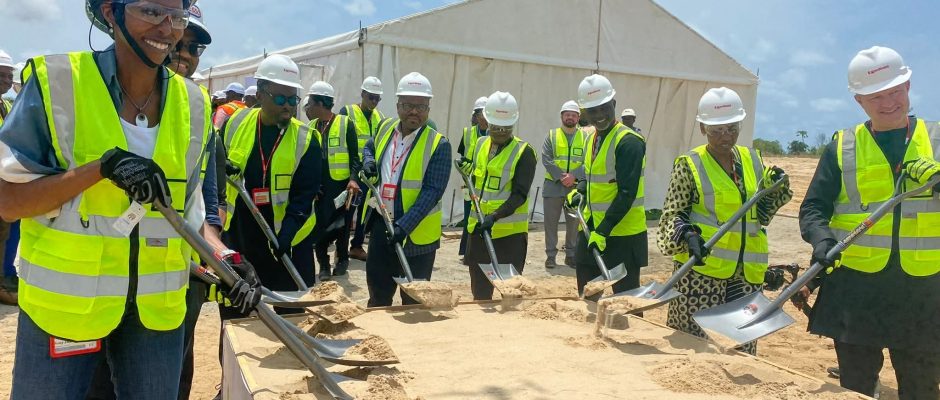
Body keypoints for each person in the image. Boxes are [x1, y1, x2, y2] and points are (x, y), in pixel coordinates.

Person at [1, 1, 262, 398]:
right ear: (111, 11)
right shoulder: (58, 84)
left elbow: (189, 215)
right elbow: (9, 202)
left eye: (177, 17)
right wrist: (100, 169)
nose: (167, 29)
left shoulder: (193, 105)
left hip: (154, 313)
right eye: (152, 11)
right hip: (67, 308)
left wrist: (224, 258)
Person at [798, 46, 940, 399]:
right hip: (856, 290)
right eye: (876, 96)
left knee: (922, 389)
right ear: (859, 100)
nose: (888, 103)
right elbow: (813, 207)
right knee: (856, 387)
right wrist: (821, 240)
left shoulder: (937, 141)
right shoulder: (842, 147)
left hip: (925, 291)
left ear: (908, 87)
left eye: (894, 91)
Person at [657, 87, 792, 355]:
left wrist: (775, 187)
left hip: (746, 275)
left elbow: (762, 214)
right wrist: (687, 235)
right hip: (701, 275)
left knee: (740, 351)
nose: (725, 137)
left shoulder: (752, 159)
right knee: (695, 348)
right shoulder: (689, 164)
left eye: (731, 129)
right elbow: (672, 216)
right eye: (716, 130)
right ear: (702, 128)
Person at [220, 54, 322, 313]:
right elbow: (216, 170)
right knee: (237, 315)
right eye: (280, 99)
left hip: (288, 241)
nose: (287, 107)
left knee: (292, 314)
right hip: (241, 237)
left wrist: (287, 234)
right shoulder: (235, 123)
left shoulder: (307, 139)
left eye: (292, 100)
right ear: (260, 94)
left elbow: (304, 195)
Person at [361, 72, 451, 307]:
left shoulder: (439, 144)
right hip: (382, 225)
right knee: (378, 296)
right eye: (408, 105)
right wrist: (368, 160)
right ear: (398, 105)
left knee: (413, 303)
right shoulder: (385, 127)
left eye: (421, 107)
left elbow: (433, 191)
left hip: (416, 236)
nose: (414, 112)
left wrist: (404, 226)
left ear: (428, 108)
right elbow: (369, 145)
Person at [568, 74, 646, 298]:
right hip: (592, 228)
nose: (599, 115)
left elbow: (626, 193)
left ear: (614, 103)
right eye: (593, 111)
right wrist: (580, 190)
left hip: (622, 234)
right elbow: (592, 175)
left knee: (626, 302)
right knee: (587, 294)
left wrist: (603, 231)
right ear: (585, 113)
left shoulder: (629, 142)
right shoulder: (591, 138)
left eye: (604, 108)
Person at [460, 91, 535, 300]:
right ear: (486, 121)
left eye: (505, 128)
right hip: (479, 231)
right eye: (496, 127)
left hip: (509, 236)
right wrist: (468, 171)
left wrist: (494, 216)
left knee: (510, 293)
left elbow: (519, 195)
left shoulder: (524, 153)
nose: (500, 132)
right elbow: (480, 180)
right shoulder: (480, 144)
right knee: (480, 293)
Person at [304, 80, 360, 280]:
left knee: (342, 225)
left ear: (320, 103)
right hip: (319, 187)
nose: (308, 108)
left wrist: (353, 179)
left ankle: (342, 259)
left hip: (342, 186)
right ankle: (324, 265)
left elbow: (355, 158)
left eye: (310, 103)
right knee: (320, 226)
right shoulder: (310, 126)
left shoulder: (345, 124)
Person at [338, 76, 384, 262]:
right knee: (347, 212)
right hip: (353, 173)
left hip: (370, 174)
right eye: (371, 97)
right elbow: (341, 144)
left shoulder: (380, 117)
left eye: (377, 98)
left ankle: (357, 246)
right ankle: (341, 250)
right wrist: (351, 175)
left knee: (366, 211)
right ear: (363, 94)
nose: (374, 101)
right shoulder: (347, 112)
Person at [542, 100, 585, 268]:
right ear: (561, 116)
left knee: (573, 224)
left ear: (578, 118)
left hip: (575, 187)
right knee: (550, 223)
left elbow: (590, 161)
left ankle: (571, 255)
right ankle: (550, 256)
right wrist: (563, 177)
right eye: (567, 114)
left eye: (573, 115)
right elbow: (547, 159)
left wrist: (574, 176)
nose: (570, 118)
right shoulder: (552, 135)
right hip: (553, 186)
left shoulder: (585, 137)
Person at [457, 96, 488, 257]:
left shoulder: (495, 134)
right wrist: (465, 167)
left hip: (486, 184)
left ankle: (481, 250)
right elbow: (461, 156)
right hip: (469, 184)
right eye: (480, 114)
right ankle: (466, 251)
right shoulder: (468, 133)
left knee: (484, 217)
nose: (483, 117)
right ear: (475, 115)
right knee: (469, 217)